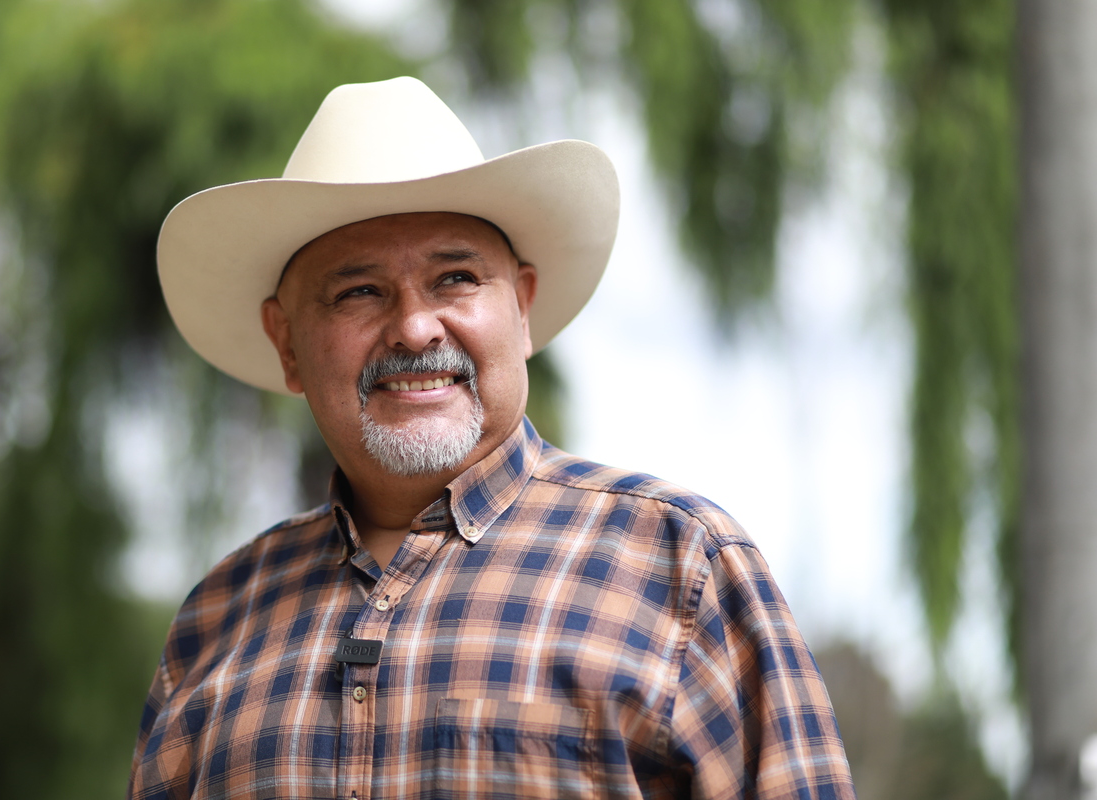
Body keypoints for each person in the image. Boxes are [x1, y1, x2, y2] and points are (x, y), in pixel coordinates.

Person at [128, 77, 855, 800]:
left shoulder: (680, 567)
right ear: (286, 343)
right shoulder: (216, 618)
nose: (415, 327)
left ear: (523, 307)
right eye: (359, 291)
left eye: (455, 278)